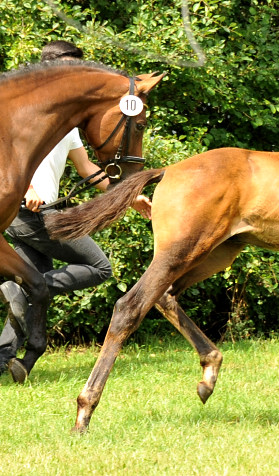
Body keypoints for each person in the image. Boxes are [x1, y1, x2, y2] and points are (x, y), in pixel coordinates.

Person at [0, 41, 152, 383]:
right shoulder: (25, 116)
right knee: (97, 267)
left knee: (33, 283)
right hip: (28, 212)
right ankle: (22, 292)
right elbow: (9, 159)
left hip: (40, 211)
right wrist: (27, 190)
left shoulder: (68, 128)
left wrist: (129, 197)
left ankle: (10, 357)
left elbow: (87, 170)